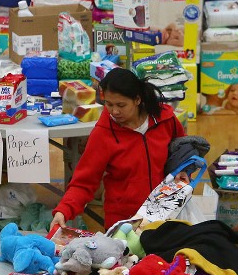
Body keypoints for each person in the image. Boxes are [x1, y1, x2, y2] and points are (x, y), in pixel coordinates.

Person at [51, 68, 185, 230]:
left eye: (121, 105)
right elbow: (83, 182)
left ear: (137, 99)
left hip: (166, 214)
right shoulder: (103, 134)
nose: (114, 111)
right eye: (109, 104)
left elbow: (183, 151)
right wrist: (63, 211)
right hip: (125, 222)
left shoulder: (164, 119)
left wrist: (184, 170)